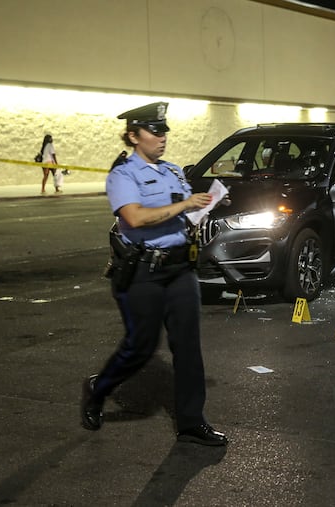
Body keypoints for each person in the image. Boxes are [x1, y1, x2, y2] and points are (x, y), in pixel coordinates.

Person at [80, 102, 227, 446]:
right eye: (154, 132)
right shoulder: (122, 175)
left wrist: (204, 210)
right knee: (140, 348)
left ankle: (191, 422)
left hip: (179, 269)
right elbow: (135, 217)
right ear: (133, 135)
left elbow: (185, 214)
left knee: (188, 347)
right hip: (143, 270)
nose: (162, 138)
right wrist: (184, 205)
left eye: (164, 132)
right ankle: (97, 389)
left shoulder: (173, 171)